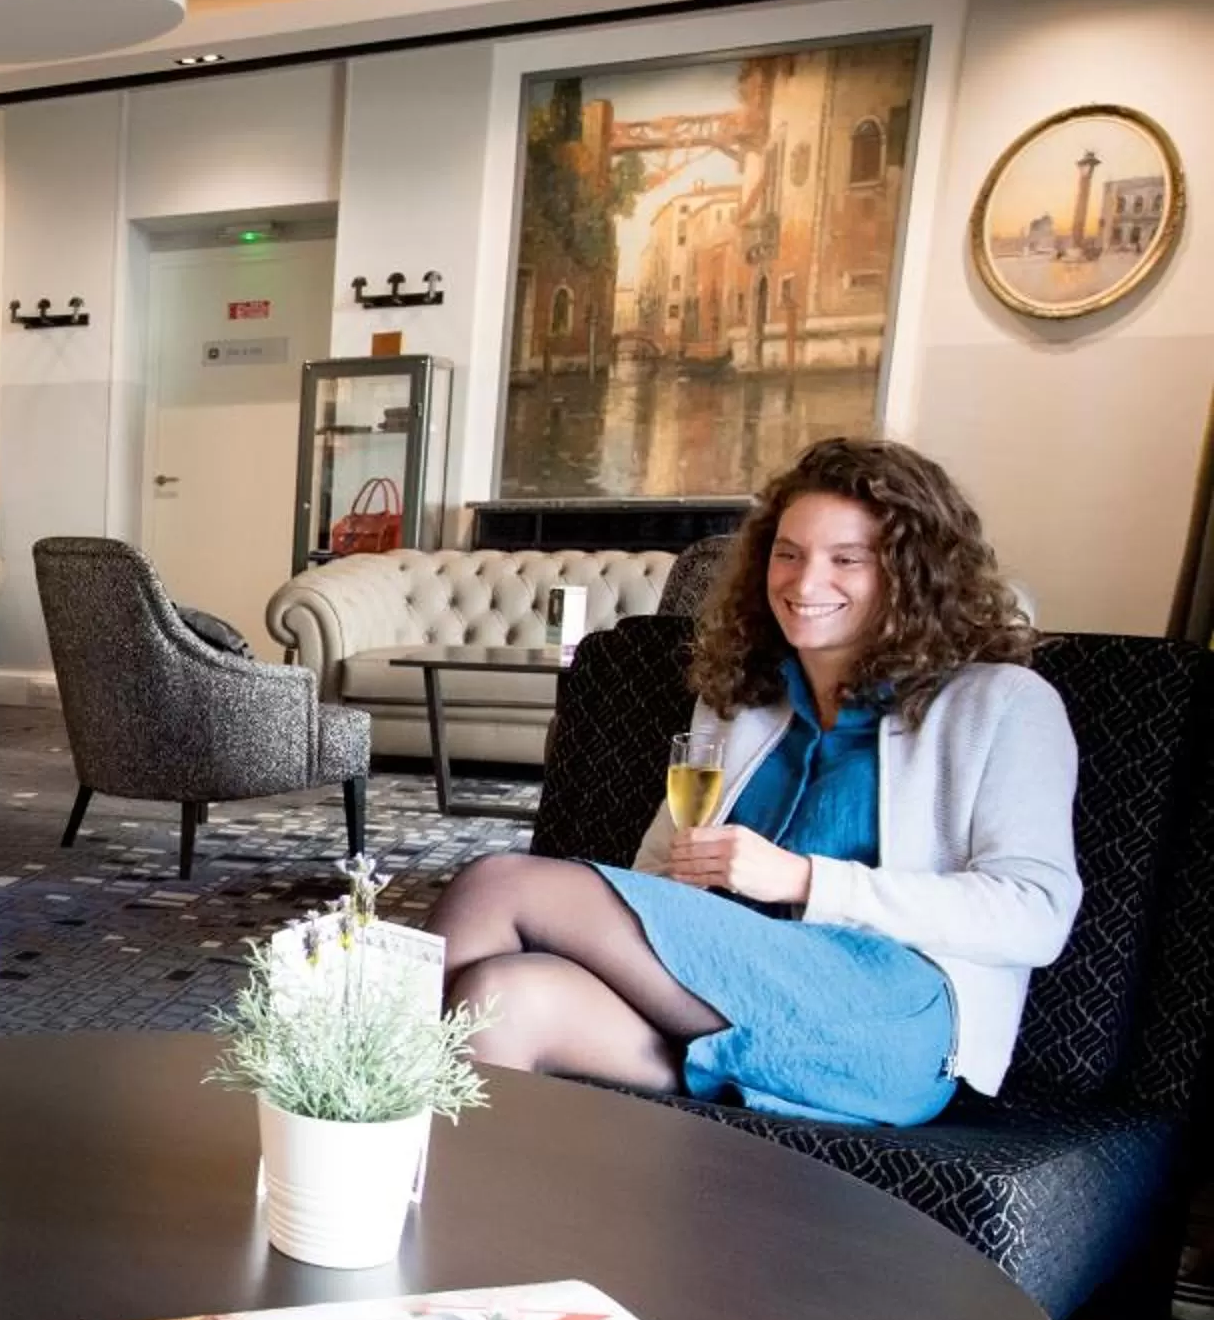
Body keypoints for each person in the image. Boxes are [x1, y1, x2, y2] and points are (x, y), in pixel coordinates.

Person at [425, 437, 1080, 1128]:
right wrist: (683, 894)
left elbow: (1036, 915)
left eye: (846, 559)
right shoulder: (742, 697)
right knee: (502, 997)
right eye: (788, 553)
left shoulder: (1003, 704)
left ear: (910, 574)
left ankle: (361, 1093)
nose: (803, 582)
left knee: (498, 883)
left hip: (893, 1020)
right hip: (727, 999)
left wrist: (803, 879)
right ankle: (435, 1213)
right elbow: (657, 870)